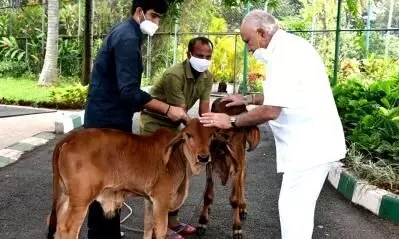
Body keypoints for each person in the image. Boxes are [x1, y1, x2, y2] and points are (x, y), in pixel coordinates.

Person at [199, 10, 347, 239]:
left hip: (309, 150)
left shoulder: (284, 55)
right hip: (312, 148)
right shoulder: (290, 48)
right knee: (296, 214)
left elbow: (271, 110)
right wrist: (247, 99)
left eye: (248, 40)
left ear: (262, 32)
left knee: (293, 217)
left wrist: (231, 121)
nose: (248, 48)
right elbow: (280, 95)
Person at [83, 1, 189, 238]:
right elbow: (129, 91)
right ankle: (100, 235)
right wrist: (167, 109)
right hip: (106, 122)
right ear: (139, 11)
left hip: (110, 116)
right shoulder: (128, 39)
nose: (156, 22)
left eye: (160, 17)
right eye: (154, 15)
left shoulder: (126, 32)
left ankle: (107, 233)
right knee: (103, 185)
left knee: (113, 183)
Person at [139, 36, 214, 239]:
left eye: (208, 56)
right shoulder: (175, 75)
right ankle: (156, 227)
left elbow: (204, 113)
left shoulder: (208, 77)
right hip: (157, 124)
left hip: (181, 127)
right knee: (160, 178)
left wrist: (210, 132)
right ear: (189, 55)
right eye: (199, 56)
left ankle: (172, 222)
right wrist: (197, 136)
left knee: (180, 174)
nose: (204, 60)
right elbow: (180, 113)